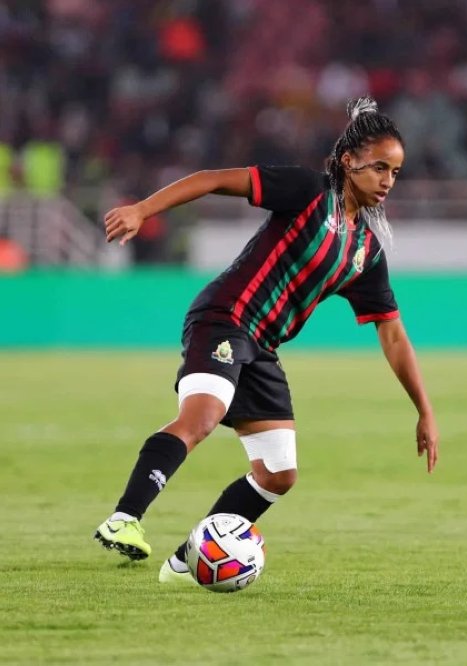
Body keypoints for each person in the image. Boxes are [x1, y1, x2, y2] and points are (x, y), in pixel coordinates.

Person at [94, 98, 440, 584]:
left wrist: (423, 409)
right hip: (226, 318)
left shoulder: (365, 250)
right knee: (202, 418)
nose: (387, 180)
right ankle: (125, 517)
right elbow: (214, 178)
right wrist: (142, 210)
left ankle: (185, 562)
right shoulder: (307, 192)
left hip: (263, 348)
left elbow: (393, 334)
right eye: (379, 167)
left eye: (396, 172)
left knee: (279, 473)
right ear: (348, 162)